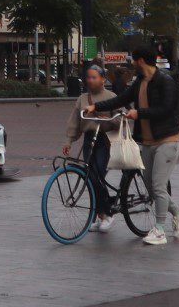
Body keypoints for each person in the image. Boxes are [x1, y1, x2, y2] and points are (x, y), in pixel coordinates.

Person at [86, 45, 179, 246]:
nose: (132, 63)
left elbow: (167, 109)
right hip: (148, 142)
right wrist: (96, 107)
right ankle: (178, 213)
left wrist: (139, 113)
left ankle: (160, 230)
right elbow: (121, 99)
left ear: (141, 60)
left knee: (158, 185)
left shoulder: (165, 81)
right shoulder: (140, 82)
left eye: (134, 60)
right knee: (151, 188)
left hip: (168, 140)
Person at [64, 65, 123, 233]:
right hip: (90, 139)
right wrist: (68, 141)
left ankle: (108, 213)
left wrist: (108, 119)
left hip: (105, 140)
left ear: (103, 79)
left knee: (97, 175)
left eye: (94, 77)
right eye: (88, 77)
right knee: (90, 178)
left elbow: (120, 118)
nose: (90, 80)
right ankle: (101, 215)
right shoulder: (82, 99)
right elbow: (74, 121)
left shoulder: (111, 97)